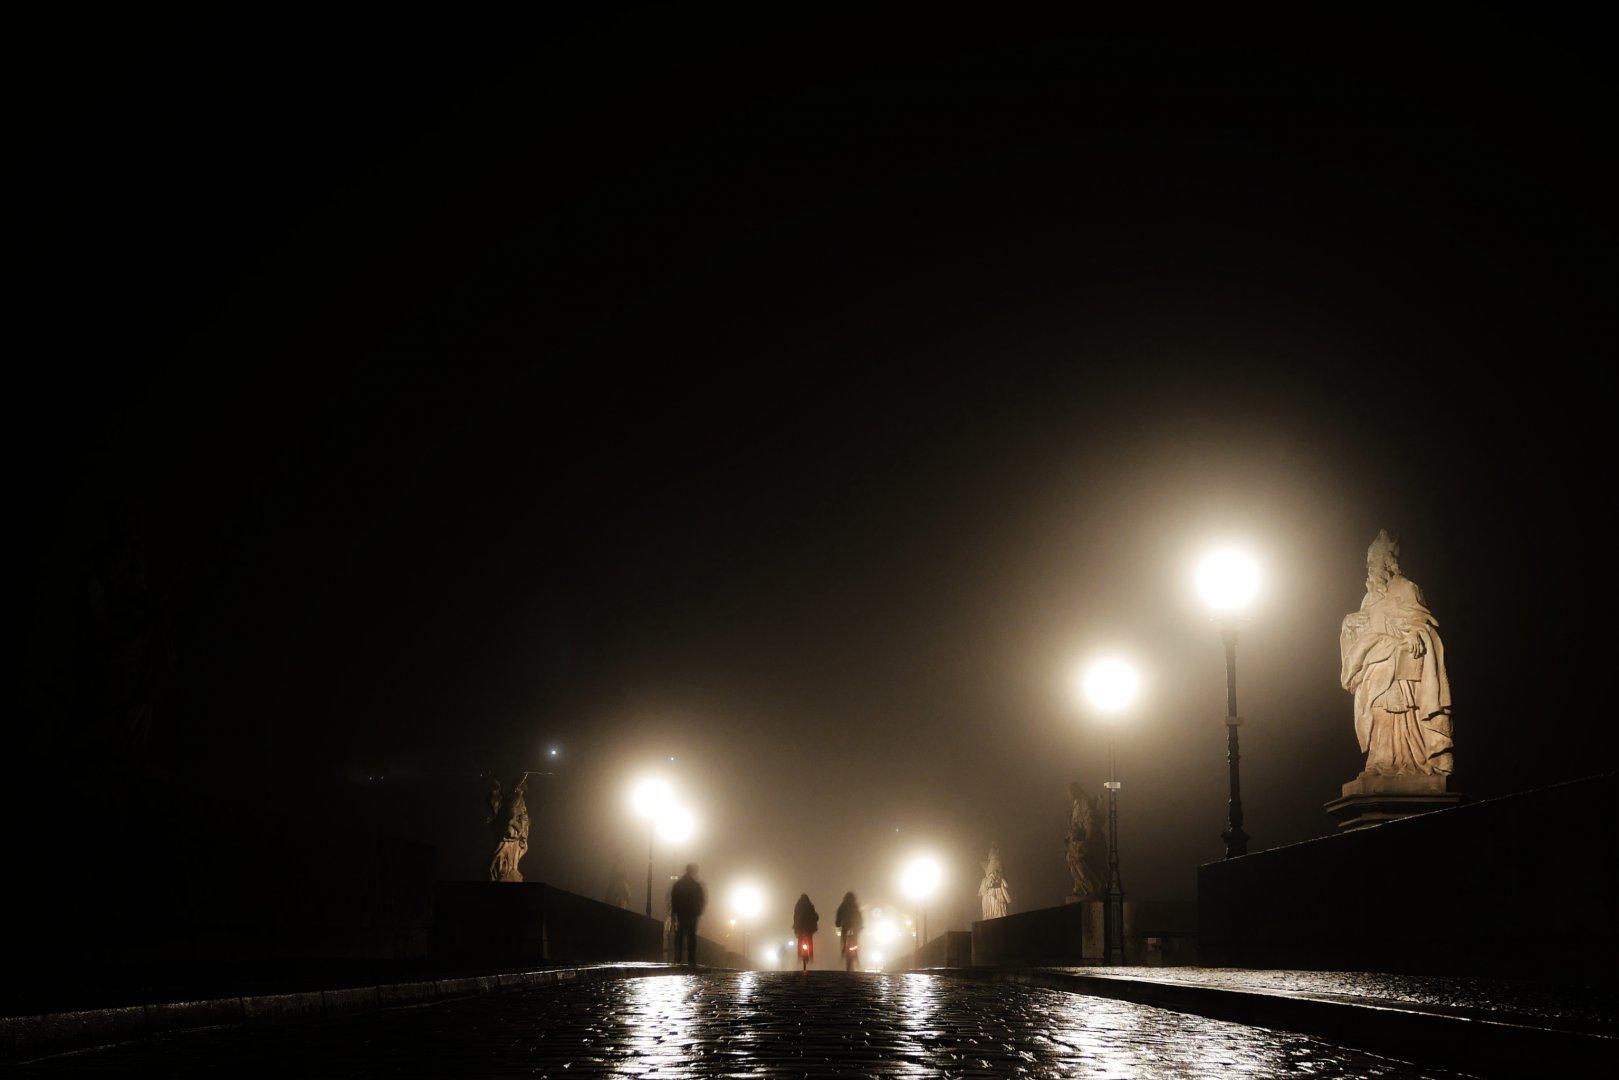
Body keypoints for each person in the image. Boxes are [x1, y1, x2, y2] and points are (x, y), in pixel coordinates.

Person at [669, 863, 707, 966]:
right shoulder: (696, 886)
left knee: (679, 936)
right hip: (692, 915)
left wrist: (674, 913)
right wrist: (697, 912)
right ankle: (691, 959)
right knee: (691, 937)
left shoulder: (679, 884)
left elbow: (674, 900)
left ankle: (678, 958)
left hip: (681, 914)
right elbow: (701, 901)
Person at [834, 891, 863, 971]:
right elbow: (859, 916)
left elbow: (838, 915)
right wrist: (860, 926)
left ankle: (843, 950)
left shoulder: (843, 905)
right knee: (855, 939)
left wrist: (838, 923)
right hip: (854, 926)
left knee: (843, 937)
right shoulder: (855, 906)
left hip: (846, 924)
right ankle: (856, 955)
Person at [792, 893, 819, 971]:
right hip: (808, 928)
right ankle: (810, 955)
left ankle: (799, 955)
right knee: (810, 940)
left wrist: (795, 925)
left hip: (800, 927)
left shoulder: (798, 906)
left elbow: (795, 916)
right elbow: (815, 916)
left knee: (800, 940)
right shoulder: (810, 906)